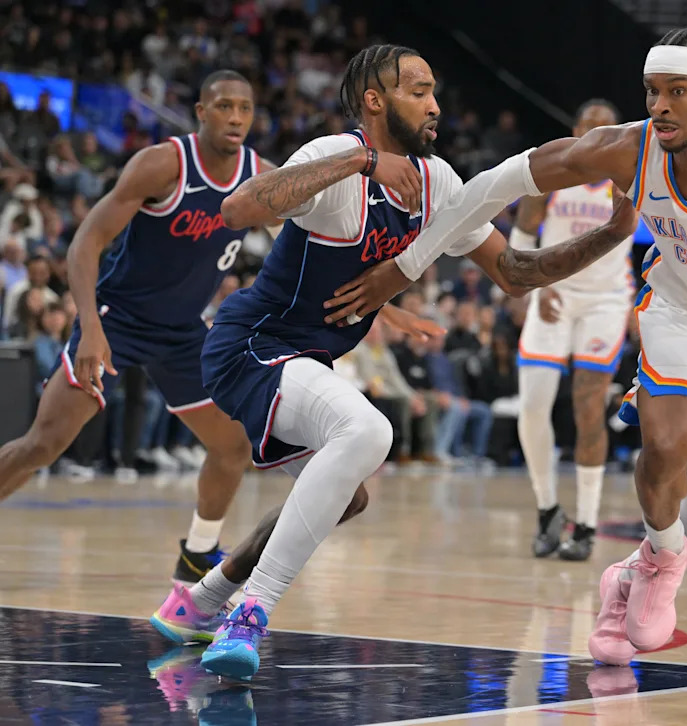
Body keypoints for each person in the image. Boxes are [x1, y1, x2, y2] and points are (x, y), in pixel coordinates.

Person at [324, 28, 687, 666]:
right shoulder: (628, 150)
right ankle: (656, 556)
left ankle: (634, 575)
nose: (660, 105)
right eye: (651, 92)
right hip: (679, 308)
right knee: (667, 442)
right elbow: (494, 185)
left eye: (678, 92)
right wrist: (408, 266)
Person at [148, 44, 639, 681]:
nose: (435, 104)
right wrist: (361, 159)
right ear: (374, 102)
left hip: (309, 361)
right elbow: (237, 209)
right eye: (417, 90)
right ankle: (250, 612)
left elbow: (516, 274)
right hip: (251, 346)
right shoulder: (333, 157)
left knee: (344, 497)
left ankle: (200, 598)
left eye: (434, 91)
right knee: (370, 431)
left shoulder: (440, 184)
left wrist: (610, 234)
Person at [0, 72, 403, 584]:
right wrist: (89, 327)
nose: (236, 117)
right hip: (116, 319)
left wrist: (384, 297)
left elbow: (319, 247)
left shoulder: (260, 176)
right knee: (43, 444)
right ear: (200, 112)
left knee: (231, 445)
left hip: (182, 333)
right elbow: (86, 242)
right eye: (224, 107)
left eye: (245, 109)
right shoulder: (163, 164)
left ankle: (197, 553)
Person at [510, 99, 634, 562]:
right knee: (533, 408)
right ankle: (547, 510)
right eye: (590, 125)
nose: (599, 132)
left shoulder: (630, 179)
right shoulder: (551, 173)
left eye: (608, 126)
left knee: (589, 406)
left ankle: (585, 523)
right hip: (553, 296)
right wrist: (531, 287)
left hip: (605, 301)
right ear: (577, 129)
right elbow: (521, 239)